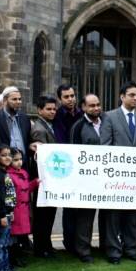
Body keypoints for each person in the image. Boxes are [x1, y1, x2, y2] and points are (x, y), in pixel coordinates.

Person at [100, 81, 136, 264]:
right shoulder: (110, 117)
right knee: (114, 216)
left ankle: (131, 248)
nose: (135, 98)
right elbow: (105, 146)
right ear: (122, 96)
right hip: (116, 178)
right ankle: (114, 251)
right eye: (131, 95)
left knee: (132, 215)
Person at [0, 86, 34, 253]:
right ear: (5, 100)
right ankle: (9, 245)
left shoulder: (24, 118)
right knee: (9, 205)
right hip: (4, 167)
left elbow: (27, 138)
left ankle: (21, 241)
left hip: (21, 167)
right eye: (14, 99)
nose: (18, 102)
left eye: (19, 99)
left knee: (23, 205)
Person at [69, 93, 104, 263]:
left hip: (107, 178)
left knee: (108, 215)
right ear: (83, 107)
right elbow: (74, 154)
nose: (96, 108)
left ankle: (106, 246)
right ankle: (83, 250)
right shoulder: (78, 126)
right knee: (86, 217)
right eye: (91, 105)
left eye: (98, 104)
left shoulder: (106, 123)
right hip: (87, 180)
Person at [52, 84, 83, 253]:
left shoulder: (81, 113)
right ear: (60, 99)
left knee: (81, 208)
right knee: (69, 208)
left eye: (72, 95)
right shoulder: (57, 116)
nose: (71, 99)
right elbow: (60, 139)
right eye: (66, 97)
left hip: (83, 165)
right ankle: (69, 242)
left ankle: (80, 241)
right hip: (67, 164)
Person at [31, 95, 58, 258]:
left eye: (54, 109)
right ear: (39, 110)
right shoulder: (39, 129)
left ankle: (46, 245)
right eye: (48, 109)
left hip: (49, 178)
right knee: (42, 215)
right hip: (43, 178)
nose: (52, 112)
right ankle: (41, 248)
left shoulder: (48, 126)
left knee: (48, 214)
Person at [7, 147, 39, 266]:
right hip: (16, 209)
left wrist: (35, 183)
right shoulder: (9, 175)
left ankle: (19, 256)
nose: (19, 162)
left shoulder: (24, 173)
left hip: (24, 208)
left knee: (21, 235)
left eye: (20, 159)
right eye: (16, 160)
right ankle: (13, 258)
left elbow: (26, 189)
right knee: (13, 236)